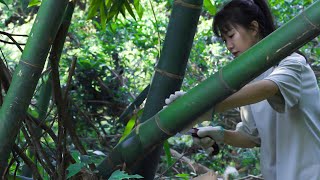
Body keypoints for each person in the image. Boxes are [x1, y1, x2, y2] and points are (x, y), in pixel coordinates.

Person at [165, 0, 320, 179]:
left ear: (253, 28)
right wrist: (219, 134)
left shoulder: (292, 62)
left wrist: (203, 107)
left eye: (231, 36)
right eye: (224, 40)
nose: (228, 46)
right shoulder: (249, 79)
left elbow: (268, 88)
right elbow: (252, 137)